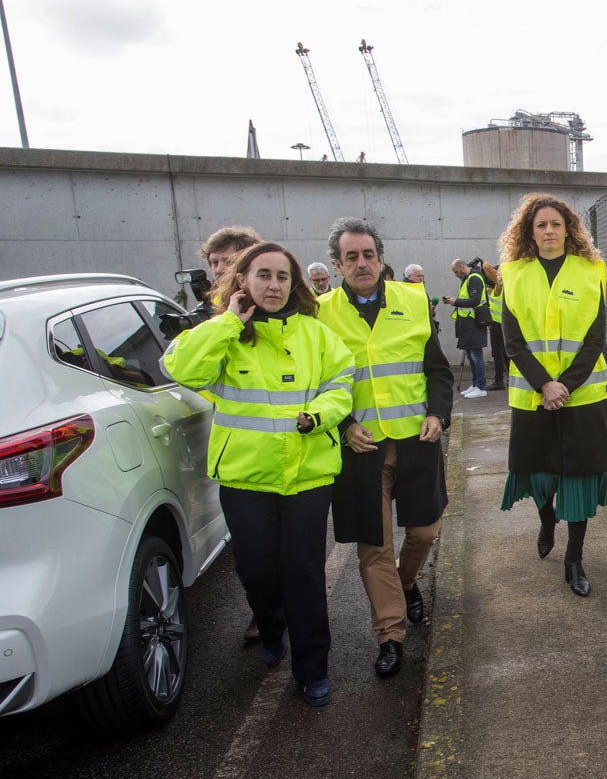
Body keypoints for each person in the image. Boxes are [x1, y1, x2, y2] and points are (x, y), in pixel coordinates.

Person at [161, 241, 355, 707]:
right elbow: (180, 367)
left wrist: (318, 415)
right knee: (257, 571)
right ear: (243, 281)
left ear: (295, 285)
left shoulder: (317, 334)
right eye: (263, 275)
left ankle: (313, 668)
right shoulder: (224, 333)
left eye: (282, 277)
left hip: (307, 475)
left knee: (304, 574)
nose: (273, 285)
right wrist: (230, 320)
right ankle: (270, 626)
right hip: (246, 478)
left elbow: (341, 387)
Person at [317, 217, 454, 678]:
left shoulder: (413, 301)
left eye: (368, 254)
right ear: (338, 264)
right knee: (373, 546)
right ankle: (390, 635)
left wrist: (438, 413)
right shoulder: (320, 314)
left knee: (425, 532)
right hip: (361, 453)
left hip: (417, 442)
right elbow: (316, 388)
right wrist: (342, 426)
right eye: (350, 256)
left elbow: (437, 370)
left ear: (381, 257)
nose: (361, 263)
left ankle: (408, 580)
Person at [496, 195, 607, 597]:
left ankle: (574, 559)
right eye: (541, 225)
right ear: (529, 231)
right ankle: (547, 520)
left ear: (569, 229)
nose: (548, 231)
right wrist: (545, 384)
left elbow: (596, 338)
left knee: (578, 482)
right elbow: (512, 341)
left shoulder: (591, 270)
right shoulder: (511, 273)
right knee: (540, 476)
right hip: (533, 397)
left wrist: (565, 386)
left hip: (581, 398)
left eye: (556, 224)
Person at [195, 224, 264, 644]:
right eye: (213, 262)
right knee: (250, 554)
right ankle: (264, 611)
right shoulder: (216, 319)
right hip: (238, 456)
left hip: (290, 453)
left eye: (226, 261)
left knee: (292, 554)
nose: (218, 269)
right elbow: (191, 373)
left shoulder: (283, 312)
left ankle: (280, 616)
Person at [444, 258, 490, 398]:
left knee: (476, 356)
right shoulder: (467, 279)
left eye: (456, 271)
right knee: (471, 356)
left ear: (463, 267)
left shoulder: (474, 278)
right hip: (467, 323)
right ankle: (475, 384)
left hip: (474, 323)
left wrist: (455, 302)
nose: (456, 274)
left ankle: (481, 387)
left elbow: (475, 301)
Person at [479, 260, 507, 390]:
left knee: (499, 353)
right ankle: (506, 379)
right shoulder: (494, 287)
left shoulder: (500, 287)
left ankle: (500, 380)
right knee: (502, 353)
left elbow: (487, 267)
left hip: (499, 324)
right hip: (498, 323)